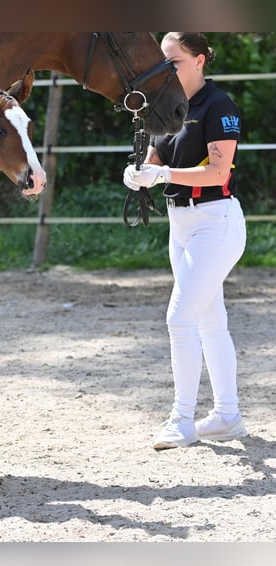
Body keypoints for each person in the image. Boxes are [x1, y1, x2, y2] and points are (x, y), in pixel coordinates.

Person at [123, 32, 248, 450]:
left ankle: (182, 419)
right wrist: (139, 171)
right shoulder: (166, 108)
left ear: (199, 61)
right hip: (181, 225)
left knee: (180, 319)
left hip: (216, 221)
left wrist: (164, 176)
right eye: (162, 61)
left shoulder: (219, 106)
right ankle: (228, 416)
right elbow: (154, 159)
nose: (166, 69)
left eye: (173, 61)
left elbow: (217, 172)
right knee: (211, 322)